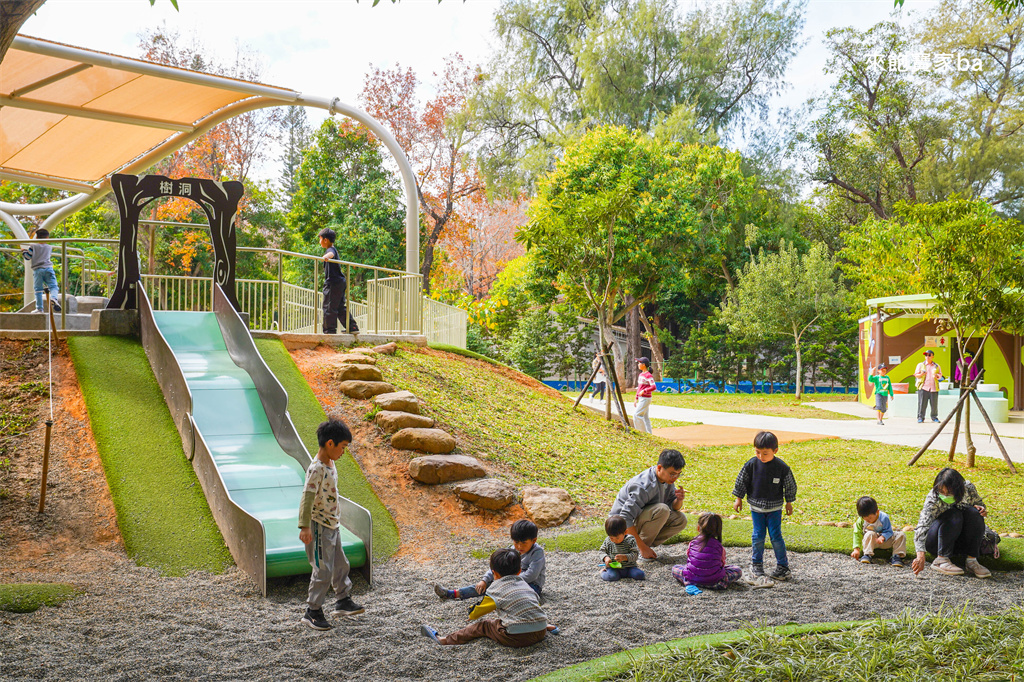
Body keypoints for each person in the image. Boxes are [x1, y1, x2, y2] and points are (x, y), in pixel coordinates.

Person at [298, 419, 365, 630]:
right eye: (342, 447)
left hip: (332, 526)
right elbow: (306, 498)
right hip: (318, 527)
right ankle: (313, 611)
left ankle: (342, 600)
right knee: (323, 569)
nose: (344, 452)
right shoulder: (316, 469)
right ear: (330, 443)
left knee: (340, 564)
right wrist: (305, 526)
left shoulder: (330, 463)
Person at [420, 549, 558, 647]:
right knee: (523, 611)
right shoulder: (527, 585)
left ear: (494, 574)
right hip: (540, 632)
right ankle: (548, 626)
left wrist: (471, 612)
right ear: (519, 571)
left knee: (484, 625)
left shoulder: (495, 589)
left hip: (517, 638)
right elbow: (532, 605)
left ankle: (443, 640)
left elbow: (476, 614)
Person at [732, 431, 797, 581]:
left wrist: (789, 502)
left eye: (765, 453)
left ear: (775, 451)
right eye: (757, 452)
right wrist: (738, 498)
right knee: (758, 536)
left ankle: (783, 567)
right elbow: (742, 481)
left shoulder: (781, 467)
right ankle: (757, 564)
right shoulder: (751, 465)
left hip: (775, 509)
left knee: (776, 536)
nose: (761, 456)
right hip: (756, 509)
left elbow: (790, 485)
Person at [433, 519, 545, 600]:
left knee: (515, 595)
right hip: (507, 580)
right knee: (484, 586)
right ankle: (453, 593)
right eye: (516, 542)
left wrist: (506, 581)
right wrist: (484, 580)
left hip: (531, 585)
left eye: (524, 543)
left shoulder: (537, 552)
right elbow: (497, 566)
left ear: (534, 540)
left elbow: (532, 575)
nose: (519, 547)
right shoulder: (511, 551)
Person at [911, 467, 991, 578]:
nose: (945, 495)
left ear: (959, 489)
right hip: (936, 540)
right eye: (941, 492)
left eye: (949, 492)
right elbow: (922, 525)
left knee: (974, 512)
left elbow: (981, 505)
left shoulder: (968, 489)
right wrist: (920, 555)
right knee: (954, 513)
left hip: (958, 541)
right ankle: (941, 560)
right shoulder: (933, 497)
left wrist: (982, 510)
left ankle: (972, 561)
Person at [609, 449, 688, 560]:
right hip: (618, 527)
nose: (675, 478)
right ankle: (635, 550)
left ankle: (642, 547)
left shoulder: (667, 480)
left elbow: (673, 506)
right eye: (672, 474)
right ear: (659, 468)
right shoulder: (643, 486)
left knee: (680, 520)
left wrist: (679, 500)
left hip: (639, 520)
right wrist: (642, 548)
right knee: (662, 510)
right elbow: (625, 518)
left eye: (678, 474)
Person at [672, 512, 743, 590]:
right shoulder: (719, 546)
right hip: (715, 582)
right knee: (737, 570)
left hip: (692, 579)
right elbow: (722, 564)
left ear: (698, 528)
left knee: (675, 568)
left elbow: (690, 559)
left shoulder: (693, 543)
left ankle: (692, 581)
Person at [318, 228, 358, 334]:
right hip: (340, 282)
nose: (320, 242)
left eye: (320, 239)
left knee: (329, 306)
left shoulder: (330, 250)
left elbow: (331, 254)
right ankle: (352, 327)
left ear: (325, 240)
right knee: (340, 307)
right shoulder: (334, 249)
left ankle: (329, 331)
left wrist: (326, 257)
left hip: (333, 282)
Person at [850, 496, 907, 567]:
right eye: (865, 519)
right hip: (871, 542)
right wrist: (856, 549)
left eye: (870, 518)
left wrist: (883, 537)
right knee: (869, 533)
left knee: (901, 535)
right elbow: (857, 533)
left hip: (885, 541)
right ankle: (867, 554)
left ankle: (897, 556)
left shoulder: (884, 518)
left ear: (877, 512)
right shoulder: (861, 520)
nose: (868, 520)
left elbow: (889, 531)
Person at [21, 228, 60, 313]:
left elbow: (27, 257)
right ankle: (54, 298)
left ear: (37, 237)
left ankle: (39, 308)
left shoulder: (33, 247)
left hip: (38, 270)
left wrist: (24, 251)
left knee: (38, 289)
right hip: (48, 268)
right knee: (53, 286)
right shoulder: (49, 247)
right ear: (47, 238)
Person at [599, 515, 645, 581]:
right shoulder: (608, 541)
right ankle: (602, 572)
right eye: (611, 538)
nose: (614, 540)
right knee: (612, 577)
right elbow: (602, 551)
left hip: (629, 567)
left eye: (617, 538)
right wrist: (606, 558)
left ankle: (626, 574)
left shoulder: (630, 540)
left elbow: (635, 554)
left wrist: (625, 557)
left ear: (625, 532)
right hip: (613, 568)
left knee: (640, 575)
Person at [914, 350, 944, 423]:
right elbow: (916, 375)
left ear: (932, 356)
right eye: (926, 355)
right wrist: (921, 374)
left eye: (929, 355)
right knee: (922, 403)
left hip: (933, 387)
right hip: (923, 387)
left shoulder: (936, 366)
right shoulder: (921, 365)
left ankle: (934, 417)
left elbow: (940, 375)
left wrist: (937, 376)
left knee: (934, 404)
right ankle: (920, 417)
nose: (927, 357)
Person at [633, 356, 656, 434]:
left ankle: (642, 432)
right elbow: (639, 387)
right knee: (645, 417)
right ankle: (649, 433)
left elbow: (653, 387)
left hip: (646, 398)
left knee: (637, 415)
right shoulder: (641, 375)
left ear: (644, 365)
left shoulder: (648, 375)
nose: (638, 364)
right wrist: (636, 398)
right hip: (641, 398)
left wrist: (645, 390)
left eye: (639, 363)